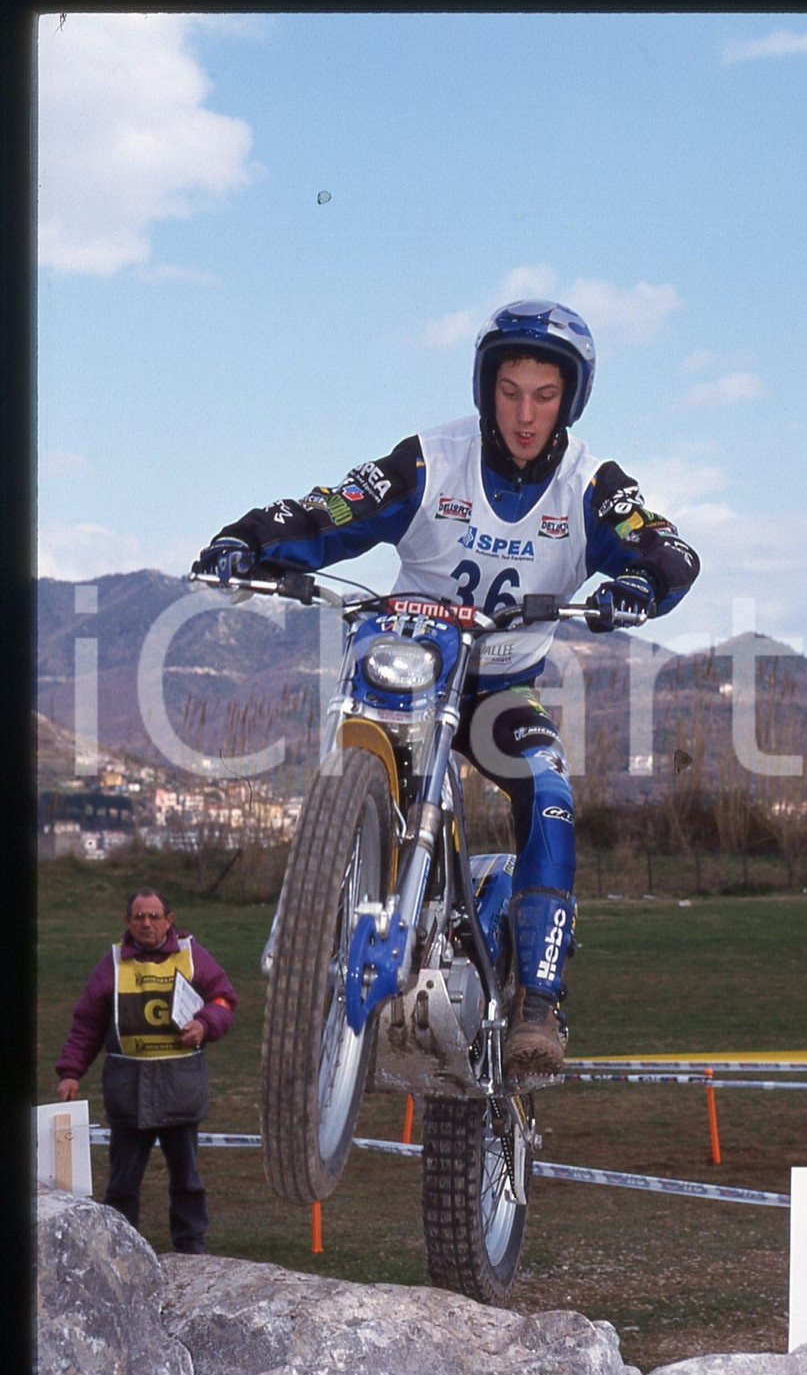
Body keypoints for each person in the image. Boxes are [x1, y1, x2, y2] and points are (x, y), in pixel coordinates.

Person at [193, 299, 699, 1077]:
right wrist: (249, 537)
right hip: (410, 668)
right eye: (509, 390)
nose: (524, 414)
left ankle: (538, 1000)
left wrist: (639, 580)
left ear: (570, 398)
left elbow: (667, 547)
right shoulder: (431, 458)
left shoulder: (591, 483)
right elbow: (335, 507)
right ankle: (335, 905)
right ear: (483, 387)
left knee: (552, 789)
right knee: (354, 734)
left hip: (500, 689)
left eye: (544, 394)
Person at [55, 887, 237, 1254]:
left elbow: (223, 999)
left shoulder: (193, 956)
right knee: (122, 1184)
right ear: (127, 922)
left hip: (180, 1090)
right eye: (139, 916)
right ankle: (120, 1252)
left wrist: (204, 1024)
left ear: (169, 921)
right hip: (128, 1094)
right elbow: (87, 1024)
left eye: (154, 916)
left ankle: (191, 1249)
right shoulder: (111, 964)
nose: (146, 923)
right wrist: (71, 1071)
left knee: (187, 1180)